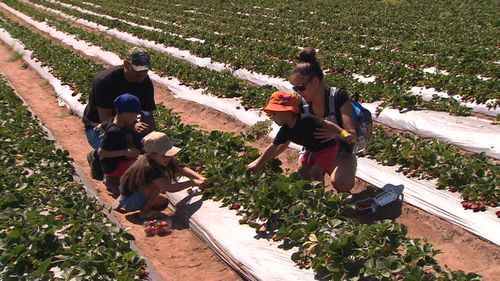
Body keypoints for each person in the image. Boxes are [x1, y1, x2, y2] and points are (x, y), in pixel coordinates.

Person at [247, 91, 354, 192]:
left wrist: (343, 133)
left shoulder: (306, 119)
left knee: (316, 172)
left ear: (284, 112)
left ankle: (319, 198)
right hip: (311, 150)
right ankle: (308, 194)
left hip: (327, 148)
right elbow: (273, 146)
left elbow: (327, 124)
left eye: (273, 115)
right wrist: (258, 163)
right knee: (302, 171)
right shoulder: (285, 130)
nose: (272, 119)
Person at [290, 47, 357, 193]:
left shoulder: (338, 97)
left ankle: (342, 192)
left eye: (301, 88)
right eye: (295, 88)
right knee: (304, 175)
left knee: (341, 182)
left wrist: (336, 134)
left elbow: (352, 135)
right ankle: (319, 206)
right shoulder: (302, 104)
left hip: (341, 150)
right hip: (314, 150)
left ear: (315, 81)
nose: (298, 92)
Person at [112, 131, 207, 219]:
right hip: (132, 201)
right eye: (164, 155)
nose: (168, 158)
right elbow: (169, 188)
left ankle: (123, 201)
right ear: (152, 155)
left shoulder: (156, 159)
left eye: (169, 155)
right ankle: (144, 212)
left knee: (164, 201)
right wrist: (192, 182)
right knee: (157, 186)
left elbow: (180, 167)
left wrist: (199, 177)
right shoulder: (149, 167)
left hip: (130, 193)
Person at [83, 46, 156, 149]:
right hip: (99, 127)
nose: (143, 74)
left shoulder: (145, 82)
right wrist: (132, 126)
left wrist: (152, 134)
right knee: (121, 152)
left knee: (154, 149)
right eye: (138, 70)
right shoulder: (105, 81)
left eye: (145, 70)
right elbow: (105, 117)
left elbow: (147, 113)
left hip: (129, 123)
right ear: (126, 64)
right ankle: (97, 159)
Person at [98, 94, 143, 194]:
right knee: (142, 166)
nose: (137, 116)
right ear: (126, 114)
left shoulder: (115, 122)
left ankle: (121, 179)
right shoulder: (114, 131)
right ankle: (113, 180)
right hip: (113, 167)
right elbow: (101, 152)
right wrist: (126, 152)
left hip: (119, 161)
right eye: (135, 113)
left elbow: (100, 127)